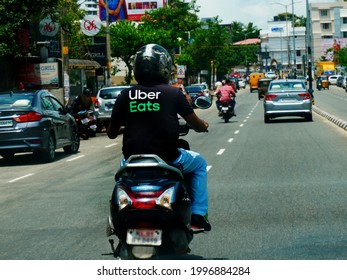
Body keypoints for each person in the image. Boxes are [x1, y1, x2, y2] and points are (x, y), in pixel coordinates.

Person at [107, 44, 211, 232]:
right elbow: (196, 123)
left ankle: (115, 220)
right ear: (163, 68)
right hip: (168, 159)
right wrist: (203, 126)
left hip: (132, 160)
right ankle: (197, 214)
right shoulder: (173, 93)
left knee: (121, 179)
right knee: (200, 164)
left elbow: (111, 133)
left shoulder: (125, 94)